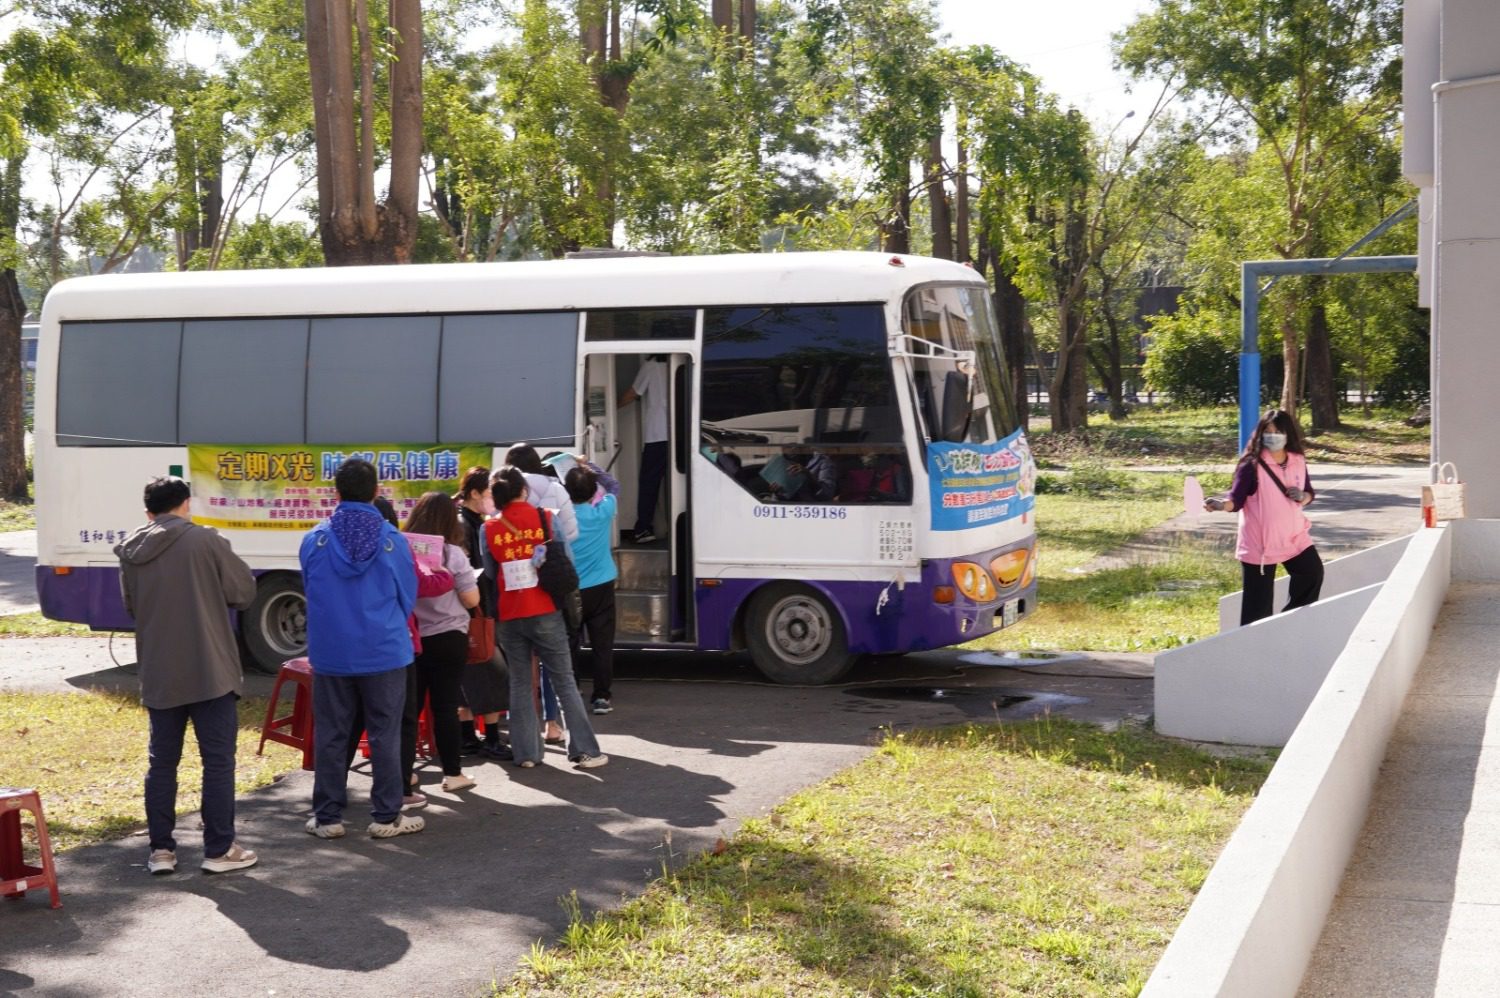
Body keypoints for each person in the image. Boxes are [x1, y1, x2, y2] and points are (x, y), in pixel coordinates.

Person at [116, 476, 259, 875]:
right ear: (185, 504)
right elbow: (243, 592)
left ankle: (161, 850)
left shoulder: (131, 550)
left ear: (149, 512)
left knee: (162, 762)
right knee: (217, 762)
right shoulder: (205, 540)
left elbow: (131, 606)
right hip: (209, 666)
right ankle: (218, 850)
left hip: (159, 670)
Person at [299, 458, 423, 839]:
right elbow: (408, 596)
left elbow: (311, 591)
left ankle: (328, 818)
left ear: (335, 493)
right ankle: (386, 818)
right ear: (376, 493)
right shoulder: (392, 541)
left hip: (332, 653)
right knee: (385, 733)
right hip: (383, 650)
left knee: (332, 733)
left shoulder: (314, 540)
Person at [483, 467, 608, 769]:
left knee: (520, 682)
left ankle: (526, 753)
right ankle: (584, 751)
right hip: (545, 609)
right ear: (523, 491)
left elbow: (489, 571)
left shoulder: (488, 528)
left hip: (509, 613)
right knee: (563, 680)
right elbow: (566, 560)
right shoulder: (546, 518)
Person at [1204, 409, 1324, 626]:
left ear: (1288, 434)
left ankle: (1289, 625)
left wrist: (1303, 496)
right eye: (1267, 432)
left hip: (1294, 537)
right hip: (1260, 545)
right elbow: (1236, 500)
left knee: (1312, 574)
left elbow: (1309, 492)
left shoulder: (1297, 459)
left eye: (1278, 431)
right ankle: (1253, 649)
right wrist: (1221, 505)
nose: (1273, 436)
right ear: (1260, 434)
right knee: (1257, 609)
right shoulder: (1250, 465)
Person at [400, 492, 481, 796]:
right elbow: (472, 599)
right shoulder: (453, 554)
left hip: (413, 638)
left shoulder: (402, 551)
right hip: (449, 636)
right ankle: (453, 774)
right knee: (446, 707)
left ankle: (405, 775)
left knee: (411, 709)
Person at [455, 466, 509, 759]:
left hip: (469, 610)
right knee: (488, 674)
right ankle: (490, 739)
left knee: (469, 677)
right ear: (475, 493)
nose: (492, 499)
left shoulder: (471, 521)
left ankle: (468, 738)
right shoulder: (468, 525)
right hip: (477, 610)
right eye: (488, 494)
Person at [564, 461, 620, 714]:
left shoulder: (559, 519)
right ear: (592, 491)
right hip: (601, 586)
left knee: (570, 642)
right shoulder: (603, 511)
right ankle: (601, 697)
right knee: (602, 644)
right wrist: (588, 465)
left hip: (571, 589)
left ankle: (573, 689)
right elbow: (612, 485)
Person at [618, 354, 668, 543]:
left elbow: (633, 394)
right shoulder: (680, 362)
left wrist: (609, 410)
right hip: (681, 435)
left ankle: (643, 528)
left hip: (658, 435)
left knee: (649, 483)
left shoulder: (651, 366)